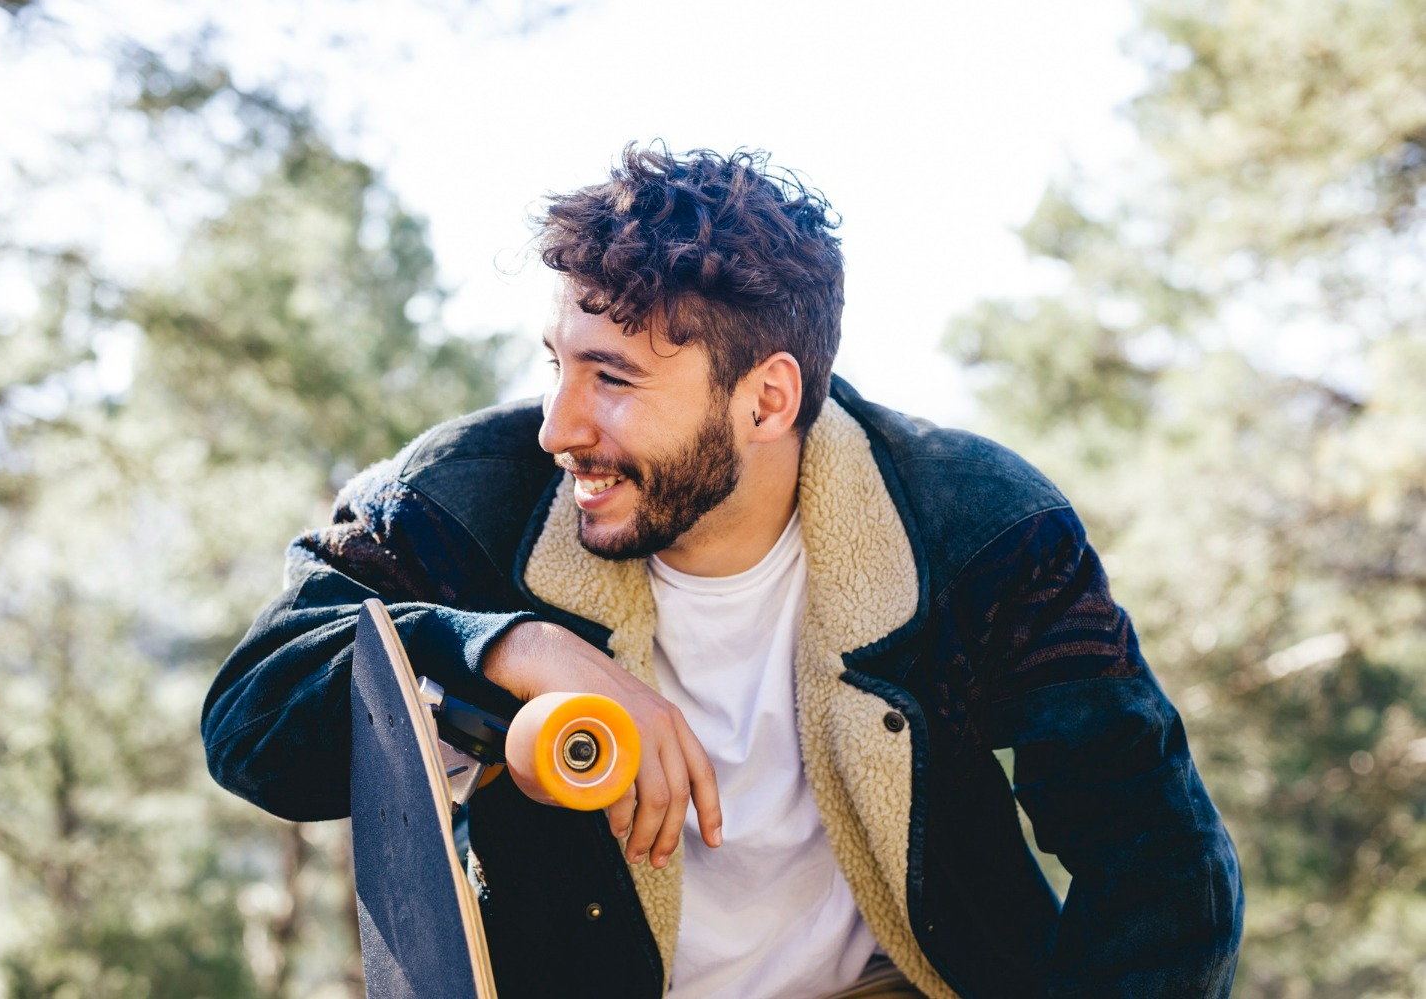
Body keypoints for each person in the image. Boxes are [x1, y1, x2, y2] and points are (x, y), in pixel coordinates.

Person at [202, 144, 1244, 999]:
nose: (562, 426)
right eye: (557, 363)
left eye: (612, 379)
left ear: (766, 399)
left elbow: (1161, 873)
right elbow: (253, 723)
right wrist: (515, 647)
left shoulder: (984, 530)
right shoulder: (464, 497)